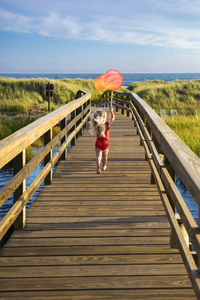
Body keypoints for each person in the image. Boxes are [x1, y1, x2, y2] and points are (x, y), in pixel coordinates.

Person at [91, 106, 115, 174]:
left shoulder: (96, 124)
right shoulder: (107, 124)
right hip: (105, 143)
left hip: (98, 143)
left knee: (98, 156)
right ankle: (104, 166)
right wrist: (112, 111)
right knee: (105, 156)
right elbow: (113, 118)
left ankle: (98, 167)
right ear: (104, 118)